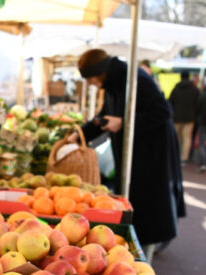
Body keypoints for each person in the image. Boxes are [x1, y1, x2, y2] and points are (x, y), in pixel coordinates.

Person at [72, 49, 185, 258]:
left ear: (99, 72)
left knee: (147, 204)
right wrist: (78, 135)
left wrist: (124, 123)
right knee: (134, 200)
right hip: (132, 155)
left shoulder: (136, 80)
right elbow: (104, 117)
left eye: (90, 79)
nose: (90, 84)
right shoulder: (112, 84)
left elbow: (163, 112)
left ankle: (144, 252)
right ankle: (135, 246)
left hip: (150, 154)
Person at [168, 71, 200, 164]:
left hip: (176, 117)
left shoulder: (176, 89)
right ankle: (184, 158)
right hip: (190, 117)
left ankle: (174, 155)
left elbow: (170, 102)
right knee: (187, 137)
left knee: (176, 137)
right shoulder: (194, 90)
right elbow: (198, 104)